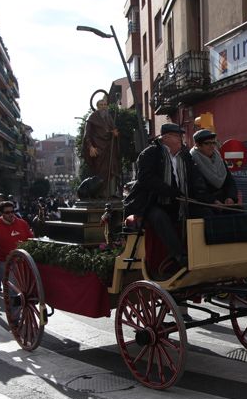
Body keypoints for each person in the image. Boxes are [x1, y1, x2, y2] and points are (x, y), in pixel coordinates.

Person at [124, 123, 207, 277]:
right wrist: (169, 191)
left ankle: (202, 254)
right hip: (150, 202)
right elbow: (146, 179)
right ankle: (180, 256)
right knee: (159, 217)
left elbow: (195, 177)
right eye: (177, 136)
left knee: (201, 213)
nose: (181, 139)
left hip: (177, 201)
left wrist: (203, 197)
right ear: (166, 138)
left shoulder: (184, 155)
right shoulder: (150, 154)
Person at [189, 129, 238, 212]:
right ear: (197, 145)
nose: (212, 146)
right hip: (205, 204)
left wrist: (230, 197)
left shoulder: (219, 158)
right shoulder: (192, 160)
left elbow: (230, 181)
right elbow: (197, 189)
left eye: (213, 143)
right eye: (207, 143)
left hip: (223, 202)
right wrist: (213, 201)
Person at [0, 200, 33, 283]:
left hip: (22, 261)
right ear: (2, 213)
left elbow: (31, 239)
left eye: (12, 211)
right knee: (12, 290)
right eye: (7, 212)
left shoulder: (22, 223)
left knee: (24, 287)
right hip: (5, 262)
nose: (11, 214)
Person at [81, 97, 120, 198]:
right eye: (101, 105)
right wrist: (90, 147)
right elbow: (87, 134)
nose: (103, 107)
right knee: (100, 172)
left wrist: (115, 134)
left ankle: (110, 194)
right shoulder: (92, 117)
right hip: (98, 150)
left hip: (109, 149)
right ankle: (99, 193)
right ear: (97, 107)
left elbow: (112, 131)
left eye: (105, 105)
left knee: (110, 170)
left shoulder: (109, 117)